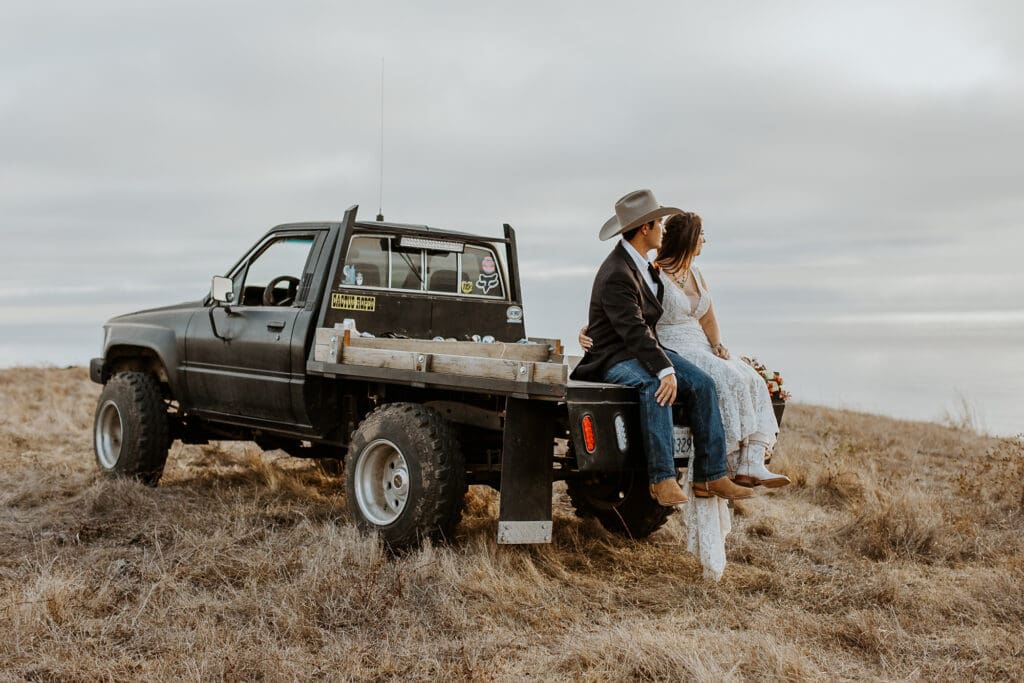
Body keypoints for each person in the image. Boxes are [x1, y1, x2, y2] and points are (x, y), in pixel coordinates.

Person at [570, 189, 753, 507]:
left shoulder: (642, 266)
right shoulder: (617, 272)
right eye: (661, 224)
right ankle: (661, 478)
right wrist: (664, 369)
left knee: (703, 383)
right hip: (614, 356)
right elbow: (633, 330)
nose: (664, 231)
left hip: (642, 349)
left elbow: (645, 320)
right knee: (656, 384)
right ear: (645, 228)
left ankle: (710, 476)